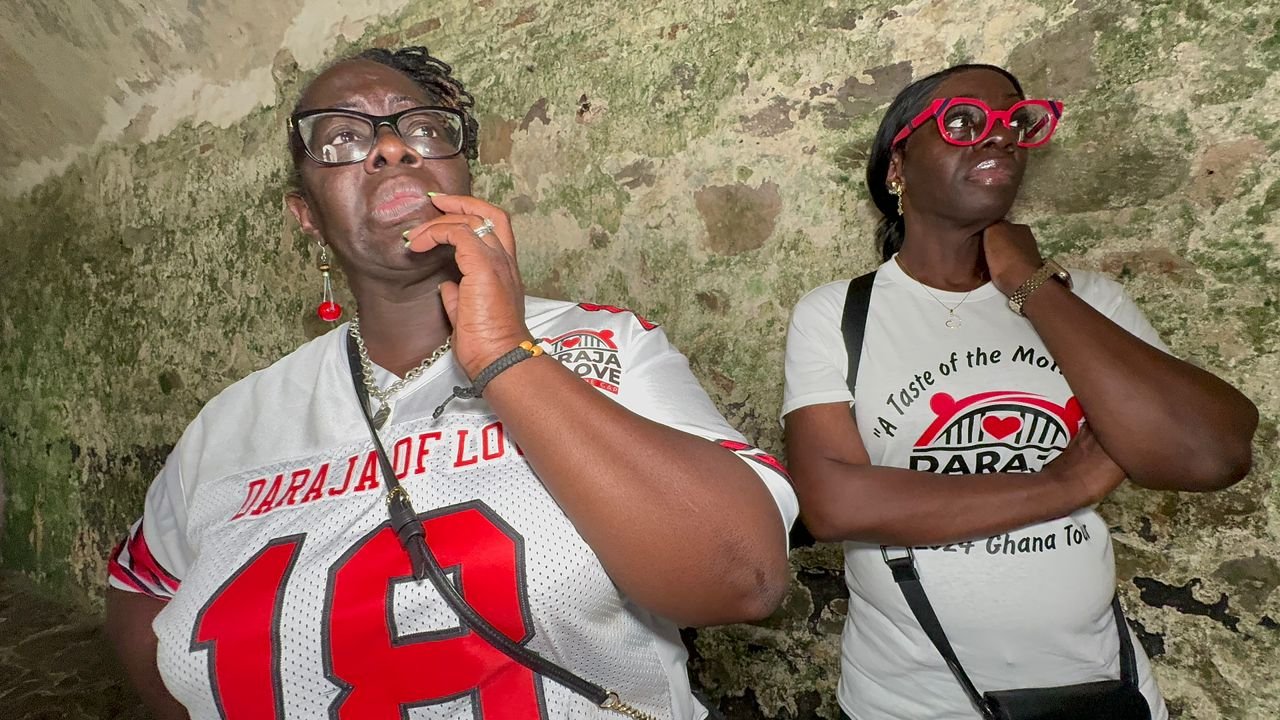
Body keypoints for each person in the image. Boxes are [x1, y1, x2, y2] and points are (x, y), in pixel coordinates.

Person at [104, 46, 797, 720]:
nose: (391, 148)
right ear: (306, 214)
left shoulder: (607, 345)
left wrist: (504, 354)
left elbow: (744, 579)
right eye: (342, 138)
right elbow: (139, 586)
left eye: (422, 129)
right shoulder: (232, 421)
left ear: (462, 177)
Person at [782, 63, 1257, 720]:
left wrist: (1028, 283)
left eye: (1016, 121)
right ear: (898, 165)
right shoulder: (837, 315)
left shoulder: (1091, 304)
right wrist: (1067, 483)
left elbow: (1211, 454)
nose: (1001, 136)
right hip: (906, 700)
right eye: (963, 121)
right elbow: (833, 503)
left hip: (1094, 689)